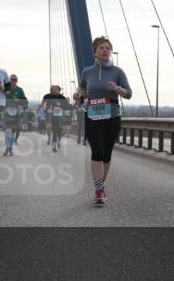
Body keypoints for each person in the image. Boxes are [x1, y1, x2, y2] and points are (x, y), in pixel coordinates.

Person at [73, 37, 131, 205]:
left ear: (110, 51)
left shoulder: (118, 71)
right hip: (92, 116)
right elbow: (82, 86)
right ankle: (99, 189)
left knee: (106, 153)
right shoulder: (87, 71)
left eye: (107, 48)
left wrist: (117, 89)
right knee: (97, 151)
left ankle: (101, 183)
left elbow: (129, 94)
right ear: (95, 53)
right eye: (101, 48)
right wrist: (79, 93)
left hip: (112, 116)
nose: (105, 50)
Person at [3, 74, 27, 156]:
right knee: (7, 130)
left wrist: (20, 103)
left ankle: (10, 148)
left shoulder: (20, 90)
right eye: (11, 79)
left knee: (14, 131)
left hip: (17, 112)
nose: (13, 81)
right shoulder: (5, 89)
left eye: (14, 79)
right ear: (9, 80)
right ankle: (8, 147)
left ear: (17, 81)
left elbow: (24, 101)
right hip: (6, 112)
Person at [41, 86, 69, 152]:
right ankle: (54, 145)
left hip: (60, 116)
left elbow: (67, 107)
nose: (54, 90)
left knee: (60, 129)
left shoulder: (63, 98)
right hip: (53, 115)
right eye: (54, 89)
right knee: (55, 130)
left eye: (56, 89)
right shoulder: (50, 97)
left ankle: (59, 140)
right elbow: (46, 105)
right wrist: (47, 109)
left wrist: (62, 109)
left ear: (59, 90)